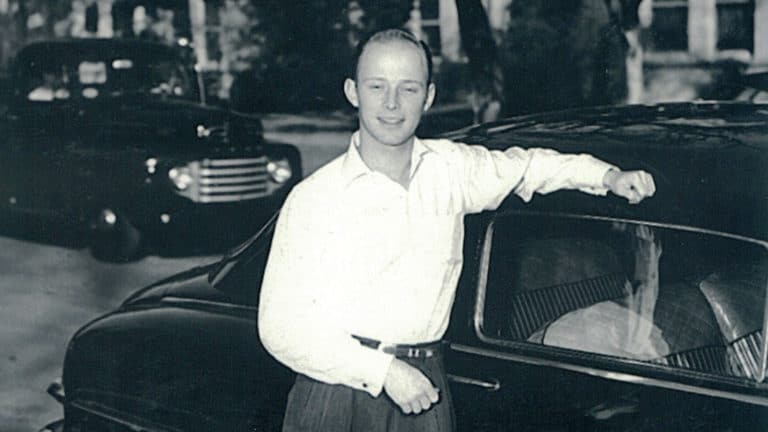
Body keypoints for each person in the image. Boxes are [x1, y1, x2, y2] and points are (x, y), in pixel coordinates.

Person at [258, 28, 656, 432]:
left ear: (428, 97)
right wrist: (384, 372)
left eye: (408, 89)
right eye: (377, 86)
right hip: (339, 393)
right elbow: (281, 328)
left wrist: (606, 176)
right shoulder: (316, 198)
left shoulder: (450, 170)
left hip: (426, 388)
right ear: (352, 91)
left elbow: (529, 165)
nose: (392, 103)